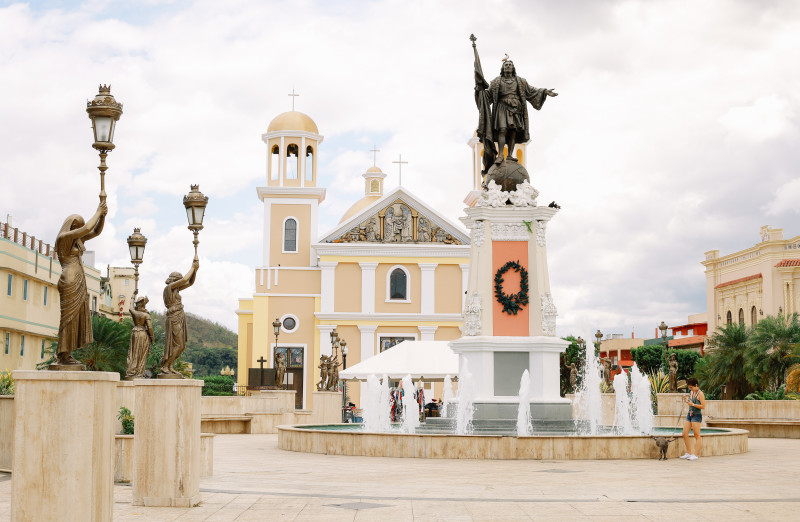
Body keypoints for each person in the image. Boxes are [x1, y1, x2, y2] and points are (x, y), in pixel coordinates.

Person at [52, 201, 107, 368]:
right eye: (78, 226)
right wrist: (98, 211)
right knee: (68, 318)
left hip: (78, 280)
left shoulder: (76, 240)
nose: (80, 229)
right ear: (72, 226)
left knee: (75, 318)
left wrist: (103, 216)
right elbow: (86, 229)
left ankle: (67, 353)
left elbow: (95, 231)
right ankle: (62, 354)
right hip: (69, 279)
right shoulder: (64, 238)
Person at [478, 59, 558, 166]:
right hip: (502, 107)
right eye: (506, 65)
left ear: (513, 68)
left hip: (516, 108)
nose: (508, 66)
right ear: (502, 68)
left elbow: (531, 91)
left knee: (513, 132)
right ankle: (501, 154)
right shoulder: (496, 81)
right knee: (502, 130)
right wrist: (480, 91)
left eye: (510, 65)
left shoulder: (520, 81)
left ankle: (510, 154)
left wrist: (544, 91)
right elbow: (488, 96)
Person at [158, 258, 199, 377]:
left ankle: (170, 366)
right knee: (178, 345)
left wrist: (195, 270)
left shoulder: (176, 290)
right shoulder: (169, 288)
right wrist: (192, 267)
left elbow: (190, 282)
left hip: (179, 316)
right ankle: (165, 366)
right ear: (175, 280)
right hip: (173, 317)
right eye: (178, 280)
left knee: (182, 346)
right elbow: (186, 279)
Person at [125, 290, 154, 379]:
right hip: (142, 333)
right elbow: (149, 327)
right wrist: (152, 337)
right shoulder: (146, 315)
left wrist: (133, 296)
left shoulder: (135, 313)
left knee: (133, 352)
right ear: (143, 304)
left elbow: (130, 307)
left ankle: (131, 370)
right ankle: (138, 373)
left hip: (135, 332)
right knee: (141, 354)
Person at [680, 377, 705, 461]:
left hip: (697, 415)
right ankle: (689, 453)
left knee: (697, 435)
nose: (690, 389)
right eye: (689, 387)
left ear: (696, 385)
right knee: (684, 433)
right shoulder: (691, 392)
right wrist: (686, 401)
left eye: (691, 387)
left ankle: (695, 454)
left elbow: (703, 406)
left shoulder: (700, 394)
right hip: (689, 414)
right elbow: (690, 403)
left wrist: (693, 404)